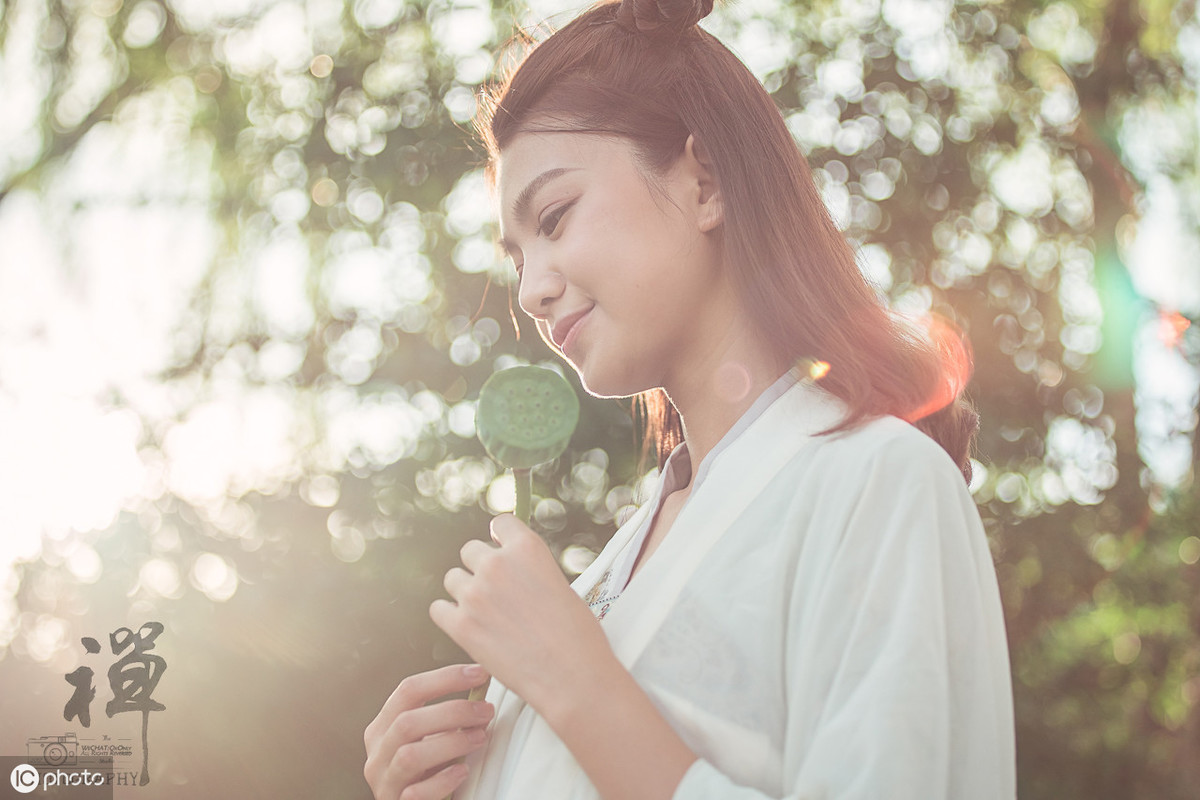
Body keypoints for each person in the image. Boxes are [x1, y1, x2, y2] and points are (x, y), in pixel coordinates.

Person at [363, 0, 1017, 796]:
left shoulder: (879, 484)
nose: (532, 289)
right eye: (517, 254)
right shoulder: (595, 580)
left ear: (705, 181)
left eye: (556, 217)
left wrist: (581, 688)